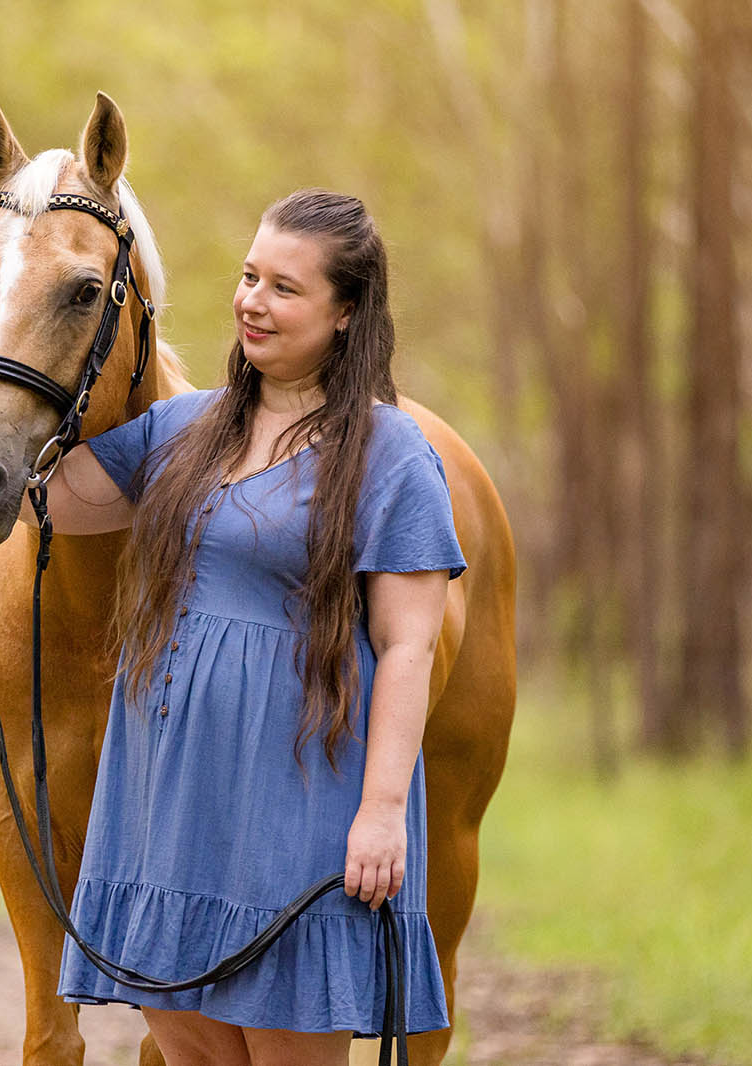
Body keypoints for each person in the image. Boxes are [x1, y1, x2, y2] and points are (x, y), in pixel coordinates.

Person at [30, 189, 467, 1066]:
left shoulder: (392, 456)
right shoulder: (184, 430)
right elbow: (59, 501)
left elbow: (408, 647)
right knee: (186, 1051)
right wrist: (2, 401)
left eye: (285, 288)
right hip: (168, 802)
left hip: (301, 803)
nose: (253, 302)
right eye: (248, 275)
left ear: (346, 315)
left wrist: (382, 812)